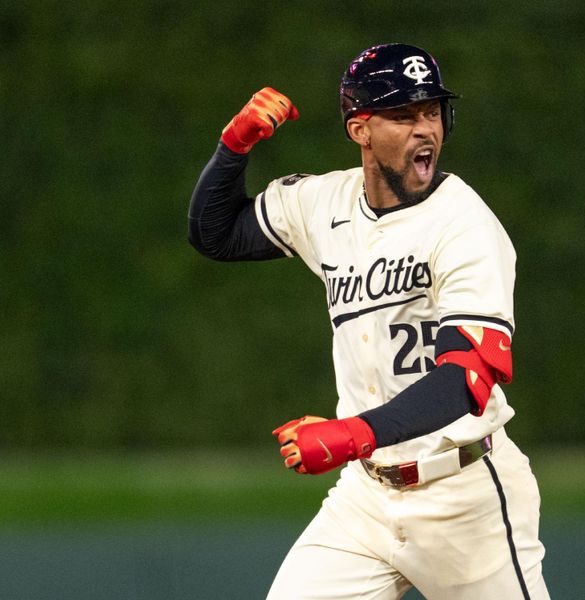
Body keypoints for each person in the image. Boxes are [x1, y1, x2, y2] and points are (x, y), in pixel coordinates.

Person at [188, 43, 550, 600]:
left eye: (431, 112)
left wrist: (351, 434)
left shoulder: (465, 223)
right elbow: (216, 234)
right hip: (366, 498)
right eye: (403, 116)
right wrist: (233, 148)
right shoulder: (324, 203)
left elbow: (467, 379)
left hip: (465, 497)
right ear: (360, 129)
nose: (424, 129)